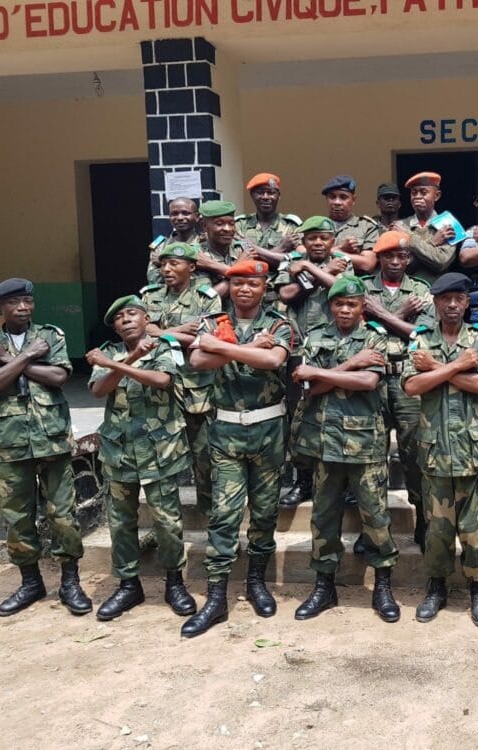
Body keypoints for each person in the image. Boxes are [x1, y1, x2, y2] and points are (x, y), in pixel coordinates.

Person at [181, 259, 296, 638]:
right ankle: (216, 598)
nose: (245, 289)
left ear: (265, 287)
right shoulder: (214, 323)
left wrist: (225, 349)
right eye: (238, 283)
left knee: (264, 514)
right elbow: (198, 359)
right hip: (226, 430)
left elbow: (273, 358)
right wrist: (245, 346)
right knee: (225, 516)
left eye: (254, 283)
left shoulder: (279, 323)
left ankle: (256, 583)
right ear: (228, 287)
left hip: (268, 431)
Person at [0, 278, 92, 617]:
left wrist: (8, 359)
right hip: (11, 446)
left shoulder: (50, 336)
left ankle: (70, 582)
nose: (23, 308)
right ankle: (31, 582)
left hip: (52, 441)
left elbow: (58, 378)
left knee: (63, 517)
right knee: (18, 519)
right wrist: (26, 358)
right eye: (14, 303)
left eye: (27, 301)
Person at [290, 275, 401, 623]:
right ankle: (324, 585)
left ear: (361, 306)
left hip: (365, 444)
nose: (344, 309)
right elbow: (308, 388)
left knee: (375, 517)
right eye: (339, 303)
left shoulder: (374, 337)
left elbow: (368, 381)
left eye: (351, 304)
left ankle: (383, 585)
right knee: (323, 517)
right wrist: (350, 364)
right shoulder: (316, 337)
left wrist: (325, 373)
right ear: (331, 306)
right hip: (325, 443)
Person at [86, 296, 196, 621]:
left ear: (146, 318)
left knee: (168, 522)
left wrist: (117, 364)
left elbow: (163, 380)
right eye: (119, 318)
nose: (126, 320)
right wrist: (125, 361)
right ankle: (128, 585)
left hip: (159, 452)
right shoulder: (107, 351)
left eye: (131, 313)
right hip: (119, 452)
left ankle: (174, 583)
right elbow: (97, 390)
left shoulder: (164, 346)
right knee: (121, 524)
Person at [402, 272, 478, 627]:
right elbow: (412, 385)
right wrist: (457, 366)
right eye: (446, 299)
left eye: (459, 298)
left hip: (472, 449)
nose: (453, 304)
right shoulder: (421, 339)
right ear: (436, 303)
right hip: (435, 450)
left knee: (474, 526)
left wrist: (440, 369)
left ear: (467, 302)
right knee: (437, 527)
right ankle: (436, 586)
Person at [362, 230, 435, 551]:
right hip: (371, 381)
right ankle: (374, 530)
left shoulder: (421, 290)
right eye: (389, 255)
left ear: (409, 258)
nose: (395, 261)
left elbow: (424, 334)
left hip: (408, 382)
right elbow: (357, 332)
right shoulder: (362, 290)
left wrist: (381, 315)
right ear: (379, 258)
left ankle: (424, 520)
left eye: (402, 256)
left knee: (415, 454)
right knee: (371, 457)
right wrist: (401, 316)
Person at [275, 216, 352, 510]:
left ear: (333, 240)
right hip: (298, 349)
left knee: (339, 413)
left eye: (324, 238)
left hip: (336, 350)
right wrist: (319, 272)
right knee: (299, 416)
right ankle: (303, 481)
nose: (318, 242)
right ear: (303, 241)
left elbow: (345, 291)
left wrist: (309, 269)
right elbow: (285, 293)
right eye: (312, 238)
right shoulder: (289, 262)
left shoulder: (344, 262)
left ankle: (343, 483)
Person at [141, 242, 221, 522]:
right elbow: (141, 337)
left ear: (192, 267)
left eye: (174, 264)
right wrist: (176, 331)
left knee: (204, 456)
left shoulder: (206, 298)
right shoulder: (149, 297)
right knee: (163, 457)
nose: (166, 269)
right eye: (163, 264)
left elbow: (208, 340)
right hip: (161, 389)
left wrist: (159, 331)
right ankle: (165, 522)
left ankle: (209, 515)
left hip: (198, 389)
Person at [395, 172, 457, 285]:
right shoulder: (400, 225)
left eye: (423, 192)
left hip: (438, 292)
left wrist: (410, 238)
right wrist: (433, 242)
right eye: (414, 193)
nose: (417, 196)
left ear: (437, 195)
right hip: (409, 292)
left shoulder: (449, 225)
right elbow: (400, 266)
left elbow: (441, 262)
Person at [235, 172, 302, 267]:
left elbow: (297, 258)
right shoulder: (239, 225)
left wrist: (254, 249)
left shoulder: (292, 225)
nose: (265, 197)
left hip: (281, 280)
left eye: (271, 193)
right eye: (260, 192)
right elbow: (240, 260)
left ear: (279, 196)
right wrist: (280, 249)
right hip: (249, 279)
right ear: (252, 195)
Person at [322, 175, 379, 274]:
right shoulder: (315, 226)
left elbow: (367, 264)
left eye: (343, 197)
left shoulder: (366, 227)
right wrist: (341, 249)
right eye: (332, 197)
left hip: (352, 286)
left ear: (353, 200)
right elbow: (301, 251)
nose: (337, 202)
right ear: (326, 199)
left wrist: (330, 251)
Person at [196, 200, 249, 298]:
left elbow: (253, 287)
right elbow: (205, 298)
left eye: (231, 223)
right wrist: (238, 271)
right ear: (204, 225)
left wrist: (212, 265)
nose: (227, 229)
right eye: (219, 224)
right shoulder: (196, 254)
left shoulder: (243, 249)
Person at [146, 197, 202, 286]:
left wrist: (164, 262)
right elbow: (153, 279)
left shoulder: (204, 244)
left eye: (186, 213)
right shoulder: (160, 246)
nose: (180, 218)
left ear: (197, 217)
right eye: (174, 214)